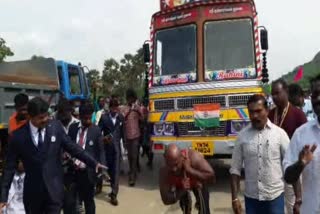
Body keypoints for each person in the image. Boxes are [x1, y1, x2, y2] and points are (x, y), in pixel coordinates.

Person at [0, 97, 107, 214]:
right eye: (41, 118)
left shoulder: (55, 127)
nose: (45, 119)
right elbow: (9, 168)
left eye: (46, 115)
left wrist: (94, 162)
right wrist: (3, 196)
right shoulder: (18, 137)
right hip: (33, 195)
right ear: (30, 117)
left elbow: (74, 148)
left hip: (54, 193)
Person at [230, 94, 290, 214]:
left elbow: (290, 165)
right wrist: (235, 198)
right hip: (252, 201)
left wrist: (296, 198)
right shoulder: (242, 136)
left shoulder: (280, 134)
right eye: (251, 112)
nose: (254, 116)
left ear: (267, 111)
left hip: (275, 199)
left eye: (258, 111)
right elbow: (235, 169)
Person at [283, 74, 320, 214]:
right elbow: (288, 177)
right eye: (315, 94)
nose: (318, 99)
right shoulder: (301, 134)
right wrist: (300, 164)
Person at [269, 79, 307, 214]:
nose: (274, 97)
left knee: (292, 204)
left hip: (292, 167)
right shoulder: (270, 115)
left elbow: (305, 143)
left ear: (286, 92)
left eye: (277, 93)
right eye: (272, 94)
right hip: (274, 168)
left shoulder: (298, 115)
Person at [68, 102, 105, 214]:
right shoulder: (73, 129)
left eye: (90, 118)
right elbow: (69, 147)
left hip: (88, 173)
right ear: (80, 116)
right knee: (72, 202)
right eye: (85, 118)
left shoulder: (96, 131)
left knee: (89, 202)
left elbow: (101, 151)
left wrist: (102, 169)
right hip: (73, 172)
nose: (88, 121)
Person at [159, 144, 215, 214]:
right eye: (170, 165)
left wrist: (190, 170)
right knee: (185, 207)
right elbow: (166, 200)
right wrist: (182, 190)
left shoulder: (194, 158)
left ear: (182, 158)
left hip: (197, 182)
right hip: (182, 186)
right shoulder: (164, 170)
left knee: (204, 209)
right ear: (165, 159)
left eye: (176, 164)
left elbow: (212, 178)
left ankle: (199, 204)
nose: (174, 169)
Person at [99, 99, 125, 206]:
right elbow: (98, 132)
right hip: (106, 149)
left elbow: (123, 133)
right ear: (109, 108)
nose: (115, 110)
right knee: (105, 170)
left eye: (116, 107)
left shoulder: (121, 118)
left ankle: (114, 194)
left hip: (117, 149)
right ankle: (99, 186)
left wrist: (126, 145)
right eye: (113, 107)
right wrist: (103, 138)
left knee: (116, 171)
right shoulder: (104, 118)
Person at [123, 89, 143, 186]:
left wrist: (138, 110)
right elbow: (122, 118)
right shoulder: (124, 108)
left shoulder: (138, 108)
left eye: (132, 99)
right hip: (127, 136)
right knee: (130, 156)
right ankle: (132, 170)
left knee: (134, 156)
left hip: (135, 135)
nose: (131, 100)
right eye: (129, 99)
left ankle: (132, 177)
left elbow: (143, 118)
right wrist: (130, 110)